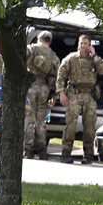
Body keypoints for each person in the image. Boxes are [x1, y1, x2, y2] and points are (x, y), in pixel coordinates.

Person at [56, 33, 103, 163]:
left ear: (89, 45)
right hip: (74, 94)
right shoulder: (71, 58)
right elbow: (61, 76)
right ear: (78, 44)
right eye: (81, 43)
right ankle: (66, 153)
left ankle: (88, 155)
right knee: (71, 125)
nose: (83, 46)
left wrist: (95, 56)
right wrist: (61, 93)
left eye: (86, 44)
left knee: (89, 127)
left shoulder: (94, 60)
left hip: (89, 95)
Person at [24, 31, 60, 159]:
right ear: (49, 41)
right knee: (41, 120)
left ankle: (28, 150)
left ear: (38, 38)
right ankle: (42, 149)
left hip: (30, 87)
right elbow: (57, 78)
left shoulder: (31, 49)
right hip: (44, 89)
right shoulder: (54, 57)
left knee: (29, 119)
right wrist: (54, 95)